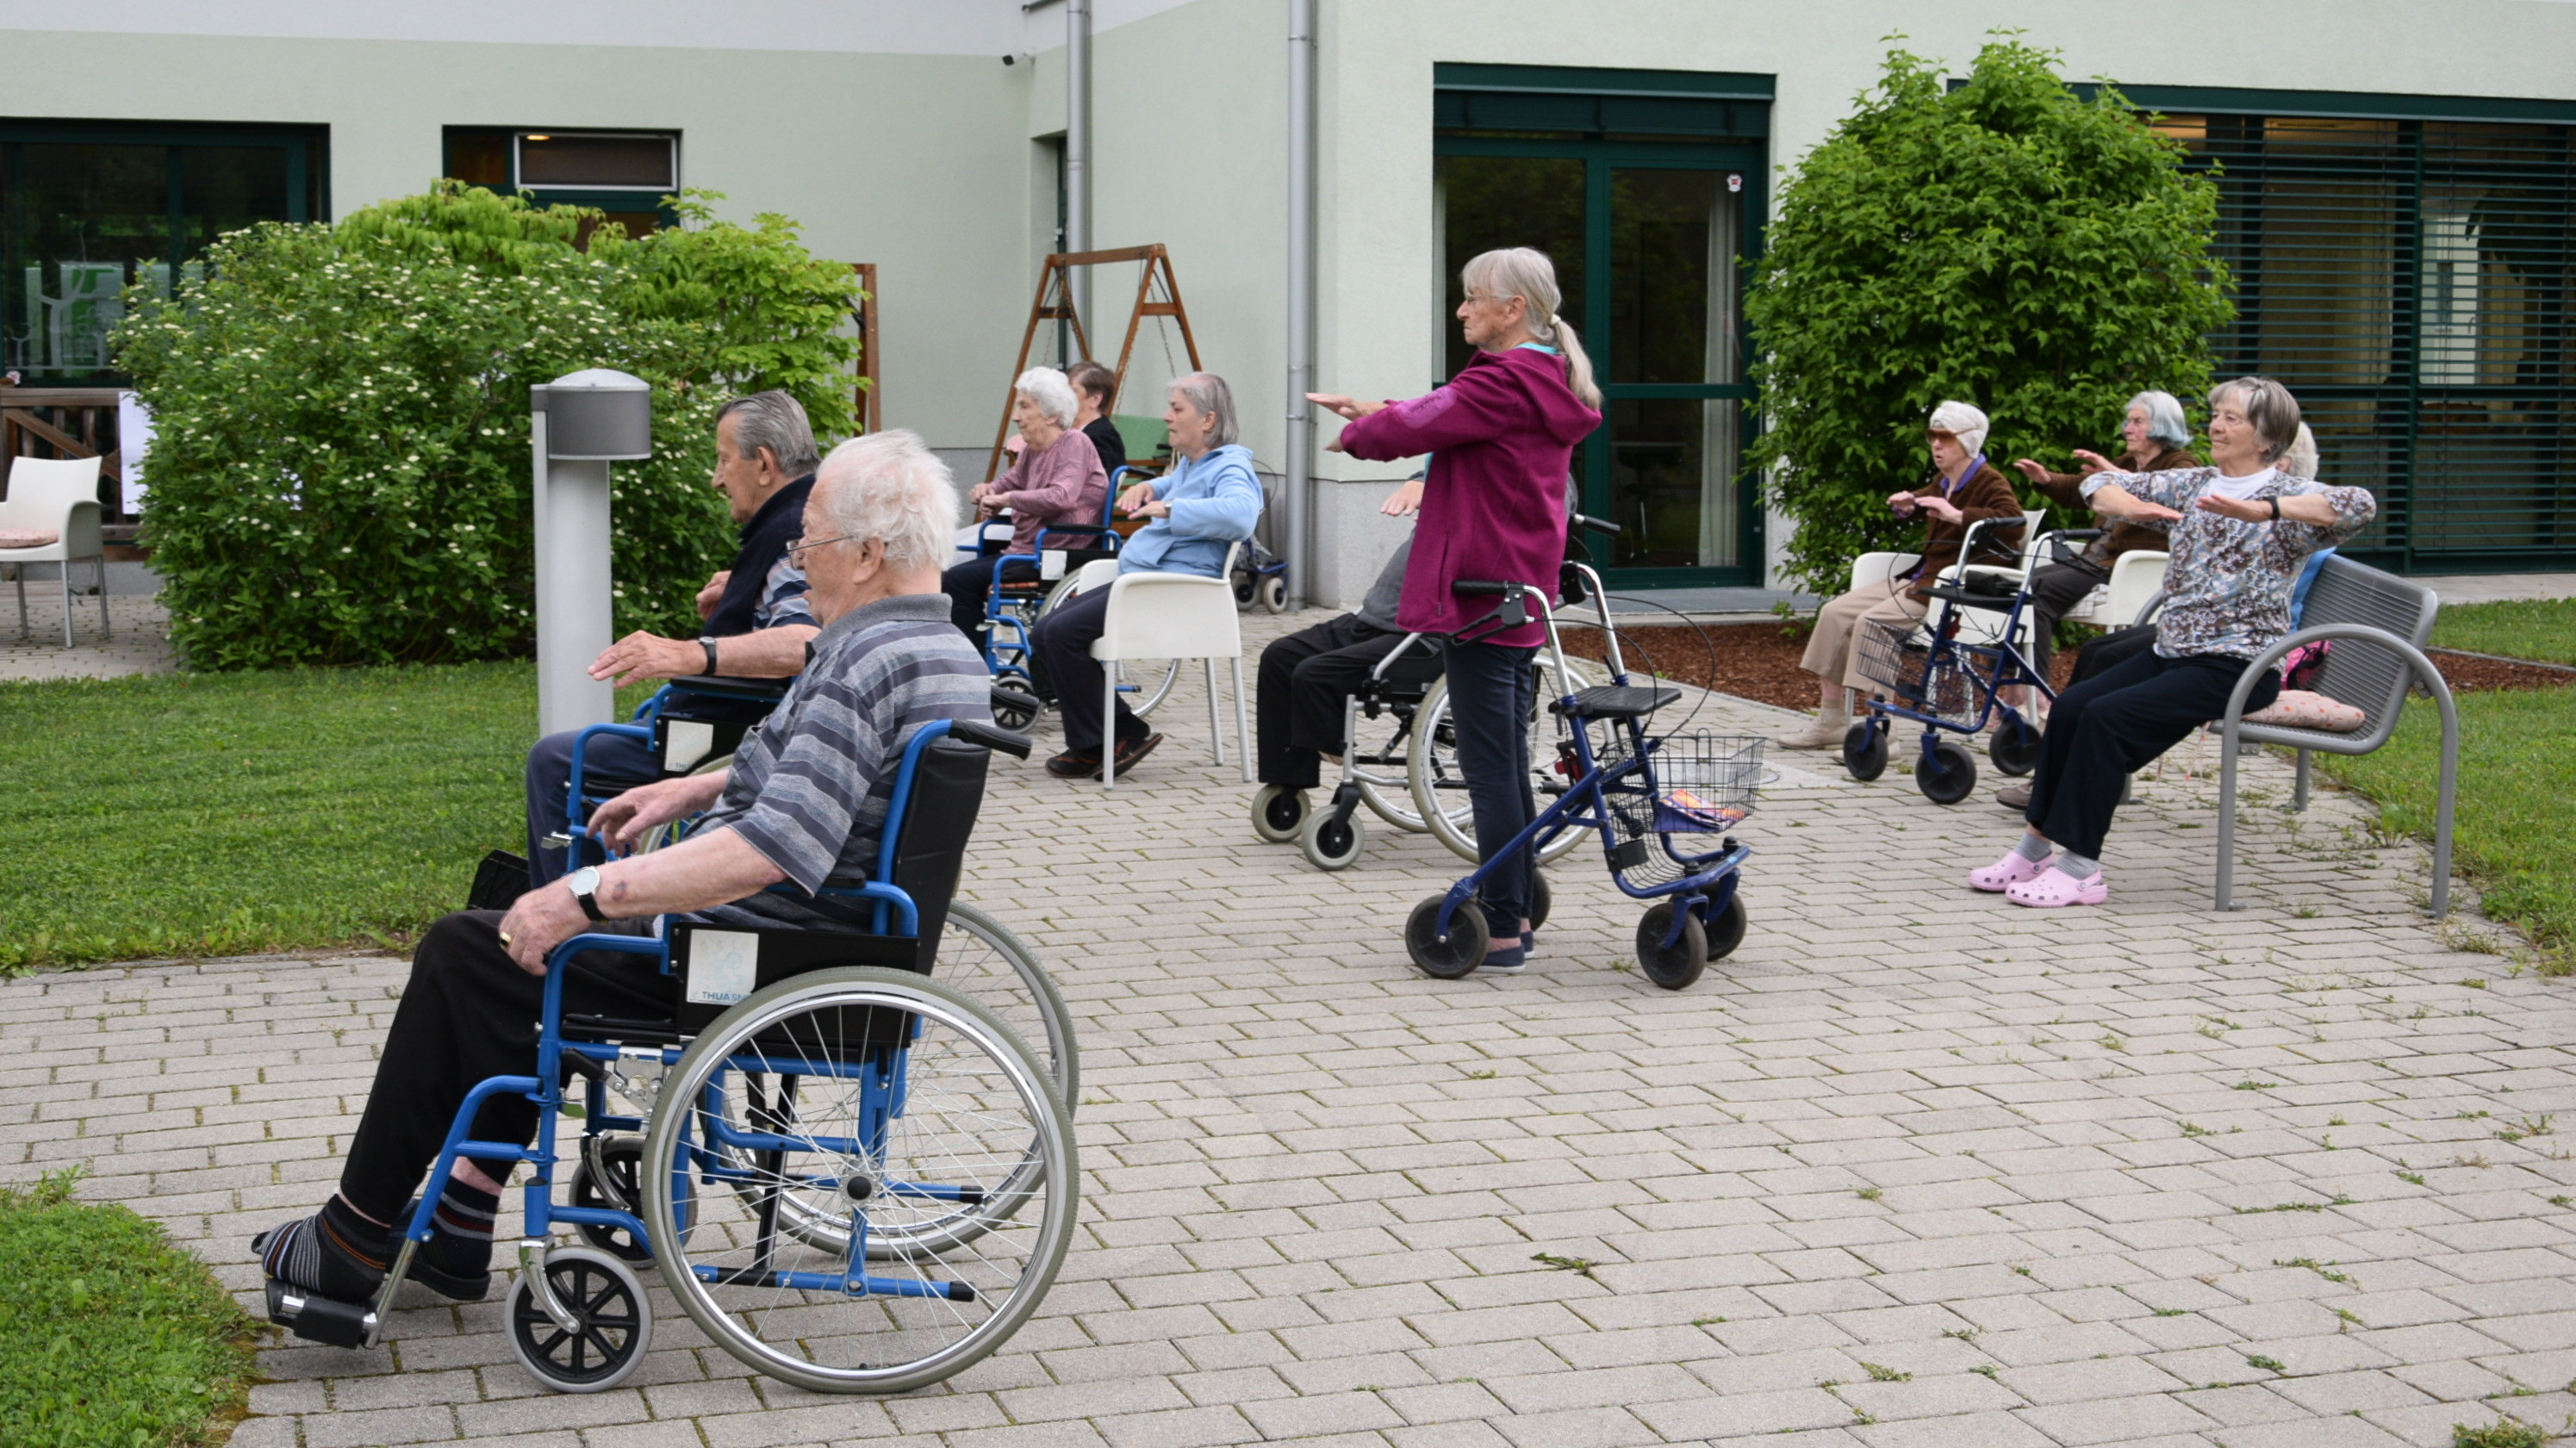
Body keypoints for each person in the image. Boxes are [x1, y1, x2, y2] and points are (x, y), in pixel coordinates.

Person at [252, 429, 991, 1311]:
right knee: (506, 921)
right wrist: (692, 788)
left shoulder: (865, 661)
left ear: (868, 554)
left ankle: (350, 1237)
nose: (802, 562)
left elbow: (769, 851)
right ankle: (460, 1215)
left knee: (469, 950)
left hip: (755, 958)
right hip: (823, 940)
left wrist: (588, 894)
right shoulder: (936, 648)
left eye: (812, 544)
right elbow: (820, 777)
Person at [1970, 380, 2373, 908]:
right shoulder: (2194, 482)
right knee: (2071, 708)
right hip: (2174, 653)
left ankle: (2081, 869)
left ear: (2267, 436)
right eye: (2217, 414)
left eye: (2232, 418)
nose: (2216, 425)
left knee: (2105, 720)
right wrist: (2135, 507)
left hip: (2237, 666)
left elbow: (2360, 505)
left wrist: (2268, 510)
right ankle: (2033, 849)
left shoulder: (2292, 499)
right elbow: (2100, 484)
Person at [1311, 245, 1602, 973]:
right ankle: (1515, 902)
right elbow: (1442, 416)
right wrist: (1381, 410)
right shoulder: (1539, 377)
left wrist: (1359, 432)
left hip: (1483, 595)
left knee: (1491, 765)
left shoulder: (1505, 379)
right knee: (1504, 758)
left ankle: (1501, 924)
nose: (1462, 309)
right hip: (1514, 591)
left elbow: (1419, 426)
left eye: (1474, 297)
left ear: (1514, 309)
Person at [522, 391, 824, 888]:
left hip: (730, 734)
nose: (717, 478)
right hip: (724, 722)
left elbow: (804, 642)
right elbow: (792, 606)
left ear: (765, 464)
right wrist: (744, 591)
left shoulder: (792, 530)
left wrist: (689, 654)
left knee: (557, 760)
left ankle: (568, 911)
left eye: (724, 460)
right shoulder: (804, 516)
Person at [1028, 372, 1262, 780]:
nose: (1167, 417)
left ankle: (1107, 740)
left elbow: (1242, 515)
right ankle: (1113, 735)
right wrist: (1152, 487)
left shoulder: (1231, 466)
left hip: (1174, 591)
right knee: (1046, 630)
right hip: (1148, 583)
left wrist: (1171, 509)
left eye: (1176, 409)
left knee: (1062, 634)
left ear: (1207, 420)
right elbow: (1185, 485)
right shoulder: (1194, 464)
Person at [1773, 401, 2025, 749]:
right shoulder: (1945, 480)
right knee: (1834, 613)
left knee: (1873, 624)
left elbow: (2014, 524)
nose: (1936, 445)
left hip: (1949, 589)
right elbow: (1928, 499)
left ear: (1968, 441)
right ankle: (1831, 721)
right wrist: (1909, 503)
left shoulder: (1989, 481)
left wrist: (1956, 514)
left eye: (1945, 438)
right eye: (1932, 437)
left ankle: (1881, 732)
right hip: (1921, 579)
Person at [1254, 474, 1426, 797]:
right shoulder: (1451, 472)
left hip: (1420, 635)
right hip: (1373, 617)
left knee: (1315, 673)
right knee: (1281, 657)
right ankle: (1286, 784)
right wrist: (1419, 481)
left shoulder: (1488, 501)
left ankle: (1331, 740)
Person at [2010, 390, 2200, 685]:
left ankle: (2033, 688)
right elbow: (2083, 488)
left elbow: (2168, 502)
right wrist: (2046, 479)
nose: (2127, 428)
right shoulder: (2127, 462)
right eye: (2128, 421)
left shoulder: (2182, 465)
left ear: (2162, 425)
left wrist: (2115, 474)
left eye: (2137, 422)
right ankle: (2014, 685)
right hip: (2093, 562)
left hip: (2124, 569)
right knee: (2015, 586)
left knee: (2035, 591)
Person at [940, 367, 1109, 637]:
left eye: (1025, 406)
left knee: (956, 581)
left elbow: (1061, 497)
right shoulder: (1033, 450)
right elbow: (1008, 482)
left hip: (1055, 554)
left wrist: (1007, 499)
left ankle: (976, 656)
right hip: (1027, 551)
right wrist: (987, 492)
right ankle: (976, 651)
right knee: (948, 576)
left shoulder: (1074, 442)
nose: (1016, 416)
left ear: (1052, 415)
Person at [1067, 360, 1129, 478]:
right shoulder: (1064, 429)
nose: (1063, 396)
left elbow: (1101, 483)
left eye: (1072, 391)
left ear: (1095, 400)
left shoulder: (1102, 437)